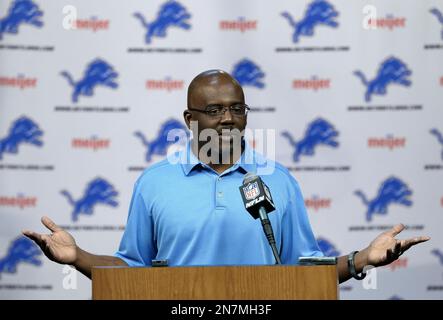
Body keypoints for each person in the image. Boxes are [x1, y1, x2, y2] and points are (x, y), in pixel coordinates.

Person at [22, 70, 430, 284]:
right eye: (214, 110)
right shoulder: (154, 183)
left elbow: (305, 272)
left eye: (237, 108)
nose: (229, 118)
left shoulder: (279, 182)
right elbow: (133, 273)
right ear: (189, 119)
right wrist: (78, 259)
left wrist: (361, 260)